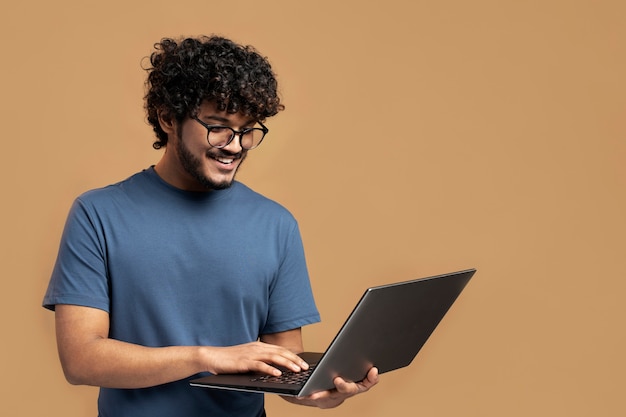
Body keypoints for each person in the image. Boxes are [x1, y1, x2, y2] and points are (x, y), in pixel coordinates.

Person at [42, 35, 378, 417]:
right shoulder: (97, 214)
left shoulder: (275, 223)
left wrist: (317, 390)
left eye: (248, 129)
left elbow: (282, 361)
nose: (235, 145)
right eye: (218, 126)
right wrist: (208, 357)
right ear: (169, 118)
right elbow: (81, 359)